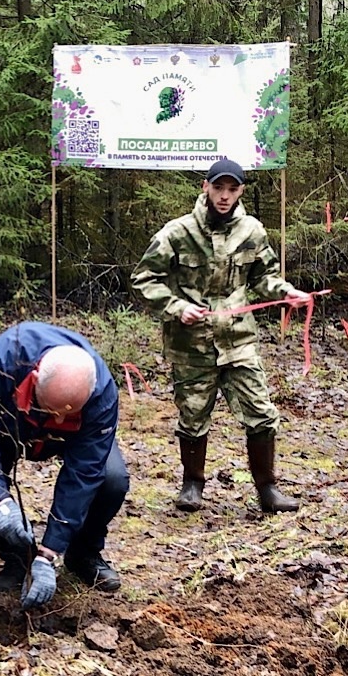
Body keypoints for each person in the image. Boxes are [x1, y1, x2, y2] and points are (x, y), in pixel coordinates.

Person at [131, 158, 308, 514]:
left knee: (261, 413)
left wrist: (285, 292)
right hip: (192, 344)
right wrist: (177, 306)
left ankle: (267, 489)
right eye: (218, 188)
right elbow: (144, 279)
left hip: (238, 341)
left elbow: (263, 277)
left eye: (232, 189)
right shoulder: (177, 232)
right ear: (206, 187)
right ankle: (192, 484)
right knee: (193, 416)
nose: (225, 196)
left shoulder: (252, 231)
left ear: (241, 191)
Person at [0, 322, 128, 610]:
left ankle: (81, 553)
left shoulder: (101, 391)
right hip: (10, 427)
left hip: (72, 439)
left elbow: (84, 472)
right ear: (34, 380)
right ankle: (16, 557)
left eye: (66, 414)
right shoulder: (0, 364)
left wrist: (49, 552)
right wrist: (0, 502)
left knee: (112, 480)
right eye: (53, 411)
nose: (59, 421)